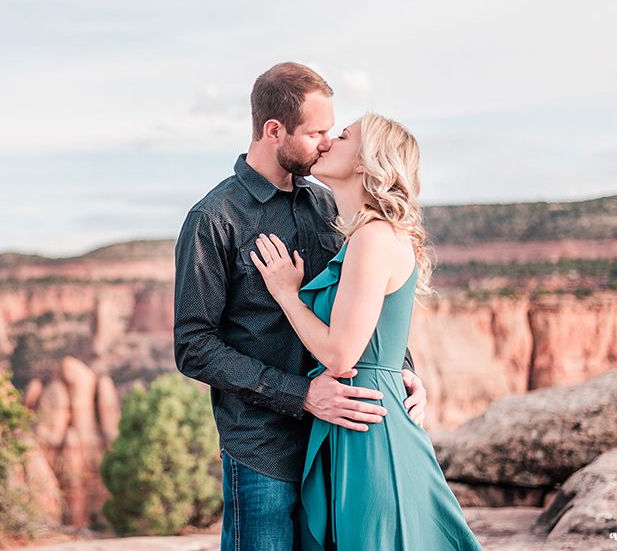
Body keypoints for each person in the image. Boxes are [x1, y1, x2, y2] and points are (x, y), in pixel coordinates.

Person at [173, 62, 428, 550]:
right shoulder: (213, 220)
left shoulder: (327, 207)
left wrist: (400, 367)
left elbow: (360, 301)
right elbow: (194, 347)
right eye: (317, 132)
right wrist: (302, 395)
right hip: (262, 449)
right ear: (274, 130)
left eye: (333, 132)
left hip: (339, 444)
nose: (327, 142)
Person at [251, 113, 481, 550]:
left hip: (370, 430)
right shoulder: (365, 235)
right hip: (357, 417)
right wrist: (398, 370)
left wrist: (286, 296)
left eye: (344, 135)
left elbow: (341, 356)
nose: (328, 141)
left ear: (365, 161)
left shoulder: (374, 238)